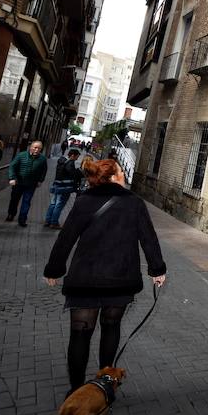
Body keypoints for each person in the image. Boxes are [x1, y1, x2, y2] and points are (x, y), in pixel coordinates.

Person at [43, 158, 166, 395]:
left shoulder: (84, 201)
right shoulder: (134, 203)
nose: (124, 175)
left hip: (85, 278)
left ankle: (76, 390)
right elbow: (148, 238)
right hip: (120, 278)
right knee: (111, 328)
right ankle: (105, 385)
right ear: (112, 177)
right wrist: (157, 269)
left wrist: (54, 269)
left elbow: (66, 237)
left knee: (80, 334)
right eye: (121, 172)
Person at [7, 140, 48, 227]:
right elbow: (12, 167)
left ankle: (22, 219)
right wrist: (12, 178)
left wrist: (40, 180)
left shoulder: (42, 159)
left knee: (26, 201)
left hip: (31, 184)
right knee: (14, 199)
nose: (37, 150)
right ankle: (11, 214)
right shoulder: (21, 155)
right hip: (18, 183)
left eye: (39, 148)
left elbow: (43, 171)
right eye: (35, 147)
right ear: (31, 147)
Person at [44, 148, 82, 229]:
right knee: (59, 205)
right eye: (77, 157)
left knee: (53, 204)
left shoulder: (62, 161)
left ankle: (47, 220)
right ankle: (54, 222)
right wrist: (78, 172)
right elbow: (71, 173)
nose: (77, 158)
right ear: (73, 155)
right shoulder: (70, 163)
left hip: (57, 185)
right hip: (64, 188)